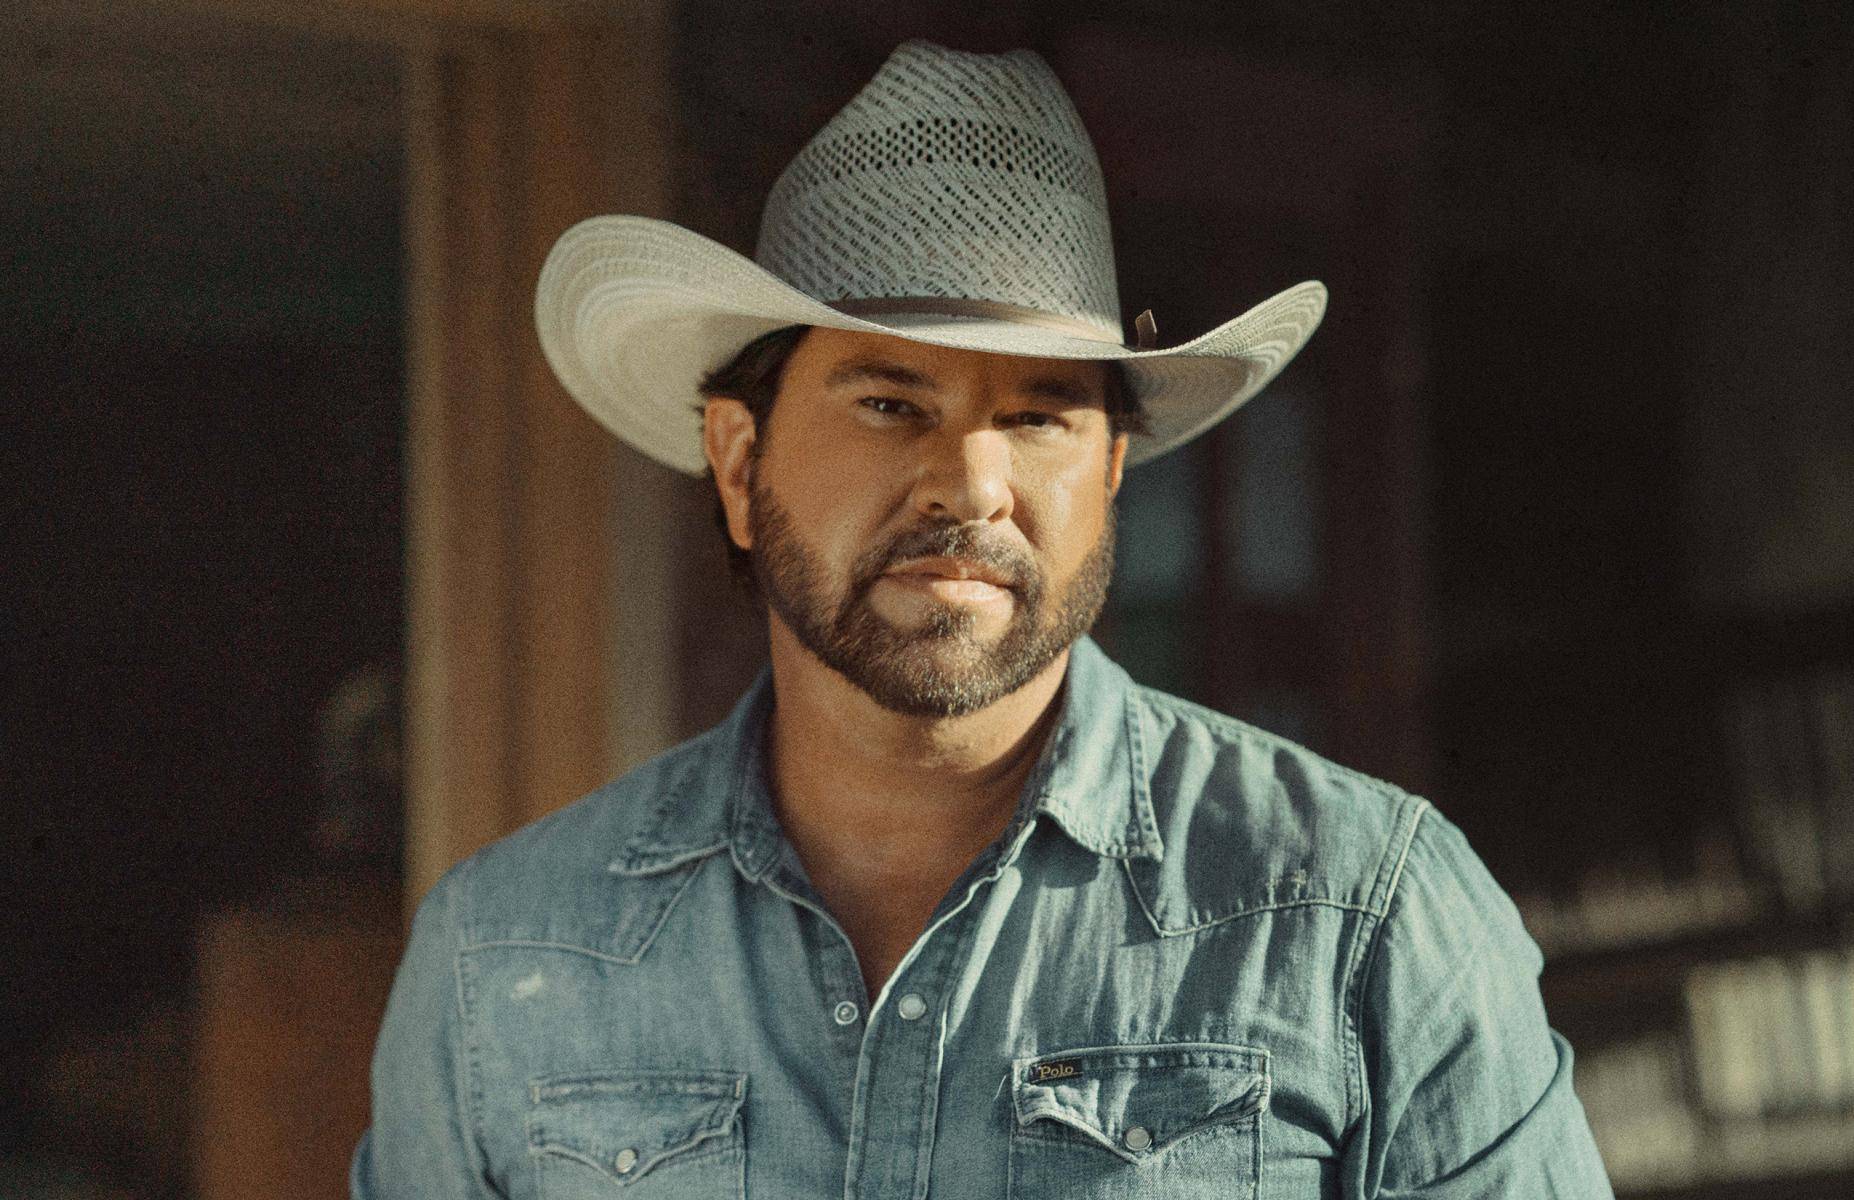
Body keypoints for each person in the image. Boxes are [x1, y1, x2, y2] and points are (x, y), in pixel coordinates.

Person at [352, 40, 1614, 1199]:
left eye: (1039, 414)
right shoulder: (507, 954)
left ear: (1109, 472)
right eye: (891, 405)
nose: (970, 484)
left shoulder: (1361, 915)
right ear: (738, 465)